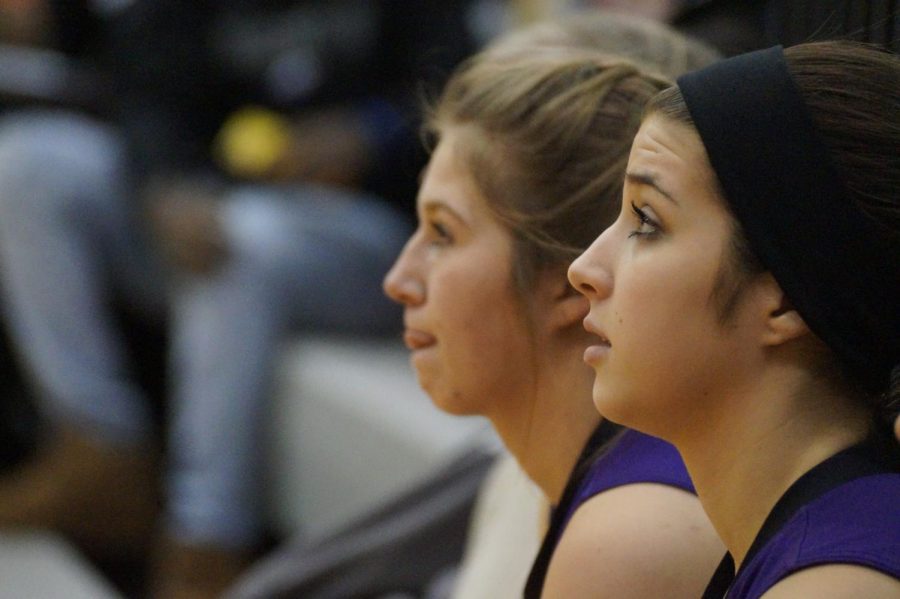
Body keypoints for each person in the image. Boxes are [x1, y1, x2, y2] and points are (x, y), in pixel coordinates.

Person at [0, 1, 478, 597]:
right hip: (209, 201)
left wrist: (367, 134)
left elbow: (465, 100)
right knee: (26, 169)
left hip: (364, 232)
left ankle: (204, 541)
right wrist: (164, 179)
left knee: (237, 239)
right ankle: (98, 442)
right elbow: (137, 87)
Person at [383, 14, 725, 597]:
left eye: (443, 233)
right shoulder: (539, 477)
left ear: (572, 281)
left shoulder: (630, 540)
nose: (399, 280)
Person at [569, 41, 900, 597]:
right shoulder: (815, 540)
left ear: (787, 298)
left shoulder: (834, 582)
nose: (583, 269)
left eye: (646, 220)